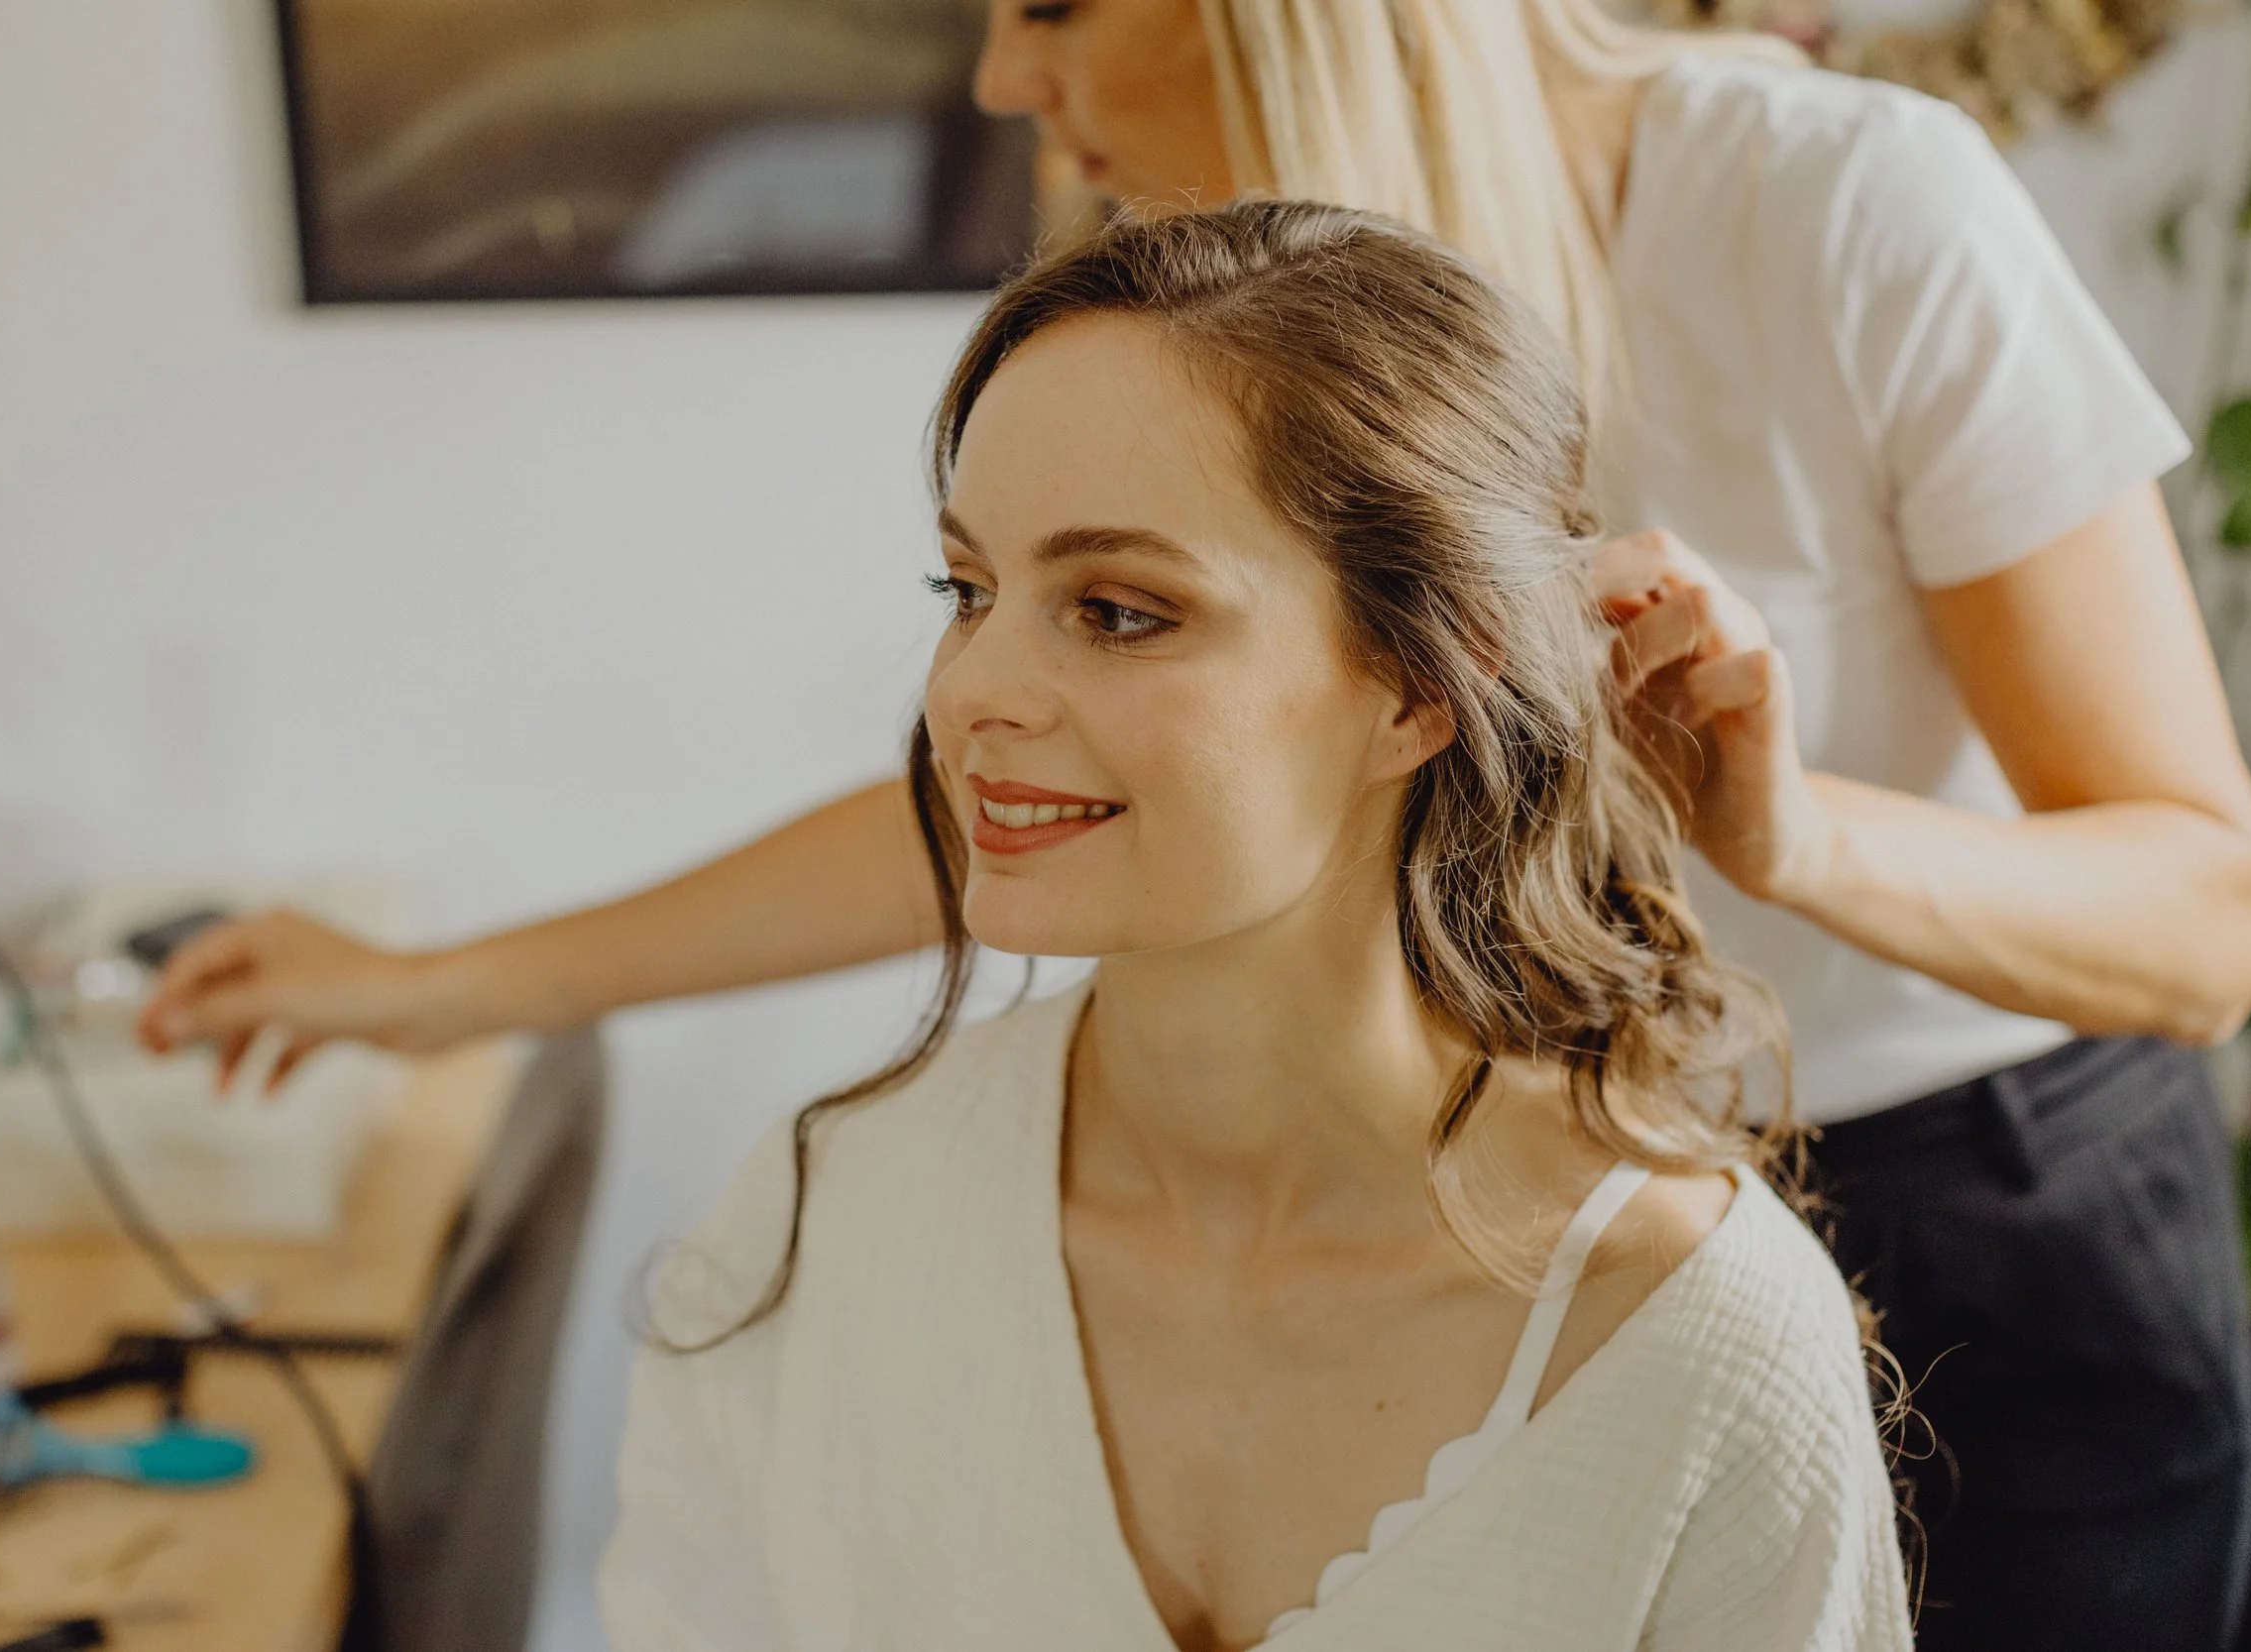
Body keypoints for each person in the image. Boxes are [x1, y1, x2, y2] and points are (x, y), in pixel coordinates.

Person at [143, 1, 2251, 1643]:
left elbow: (2203, 911)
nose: (992, 72)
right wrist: (441, 990)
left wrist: (1790, 842)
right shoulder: (829, 1235)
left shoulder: (1841, 210)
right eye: (969, 588)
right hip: (1421, 1176)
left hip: (1975, 1215)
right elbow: (1064, 785)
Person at [599, 198, 1911, 1650]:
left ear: (1420, 686)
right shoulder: (818, 1226)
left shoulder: (1698, 1348)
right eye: (967, 589)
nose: (971, 689)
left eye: (1119, 610)